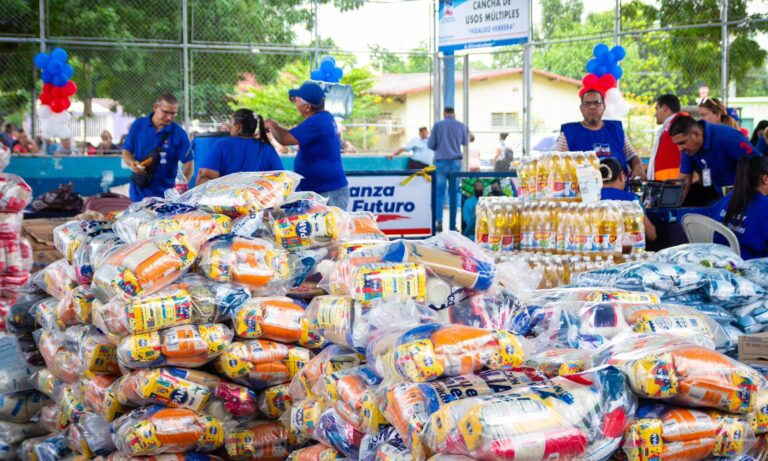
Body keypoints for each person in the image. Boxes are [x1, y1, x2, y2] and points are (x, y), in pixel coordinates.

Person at [265, 81, 349, 209]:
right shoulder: (323, 118)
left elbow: (285, 139)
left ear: (307, 107)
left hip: (328, 193)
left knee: (326, 229)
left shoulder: (318, 121)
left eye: (297, 101)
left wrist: (271, 124)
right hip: (322, 191)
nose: (295, 104)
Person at [557, 89, 645, 180]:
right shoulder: (568, 134)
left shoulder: (616, 130)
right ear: (581, 108)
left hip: (618, 191)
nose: (592, 107)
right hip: (583, 191)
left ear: (604, 106)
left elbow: (631, 156)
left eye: (597, 103)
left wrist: (638, 165)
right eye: (587, 104)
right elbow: (557, 165)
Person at [670, 114, 759, 202]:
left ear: (696, 134)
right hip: (724, 198)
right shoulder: (688, 149)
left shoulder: (728, 137)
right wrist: (673, 206)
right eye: (677, 144)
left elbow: (760, 164)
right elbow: (684, 178)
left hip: (750, 197)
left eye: (682, 143)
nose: (679, 148)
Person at [122, 93, 192, 202]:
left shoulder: (179, 134)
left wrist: (180, 188)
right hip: (139, 194)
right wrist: (132, 163)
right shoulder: (138, 125)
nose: (169, 117)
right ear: (156, 107)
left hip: (166, 197)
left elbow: (189, 163)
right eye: (165, 112)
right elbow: (126, 151)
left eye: (173, 113)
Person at [196, 109, 283, 186]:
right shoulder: (267, 149)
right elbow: (281, 180)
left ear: (237, 127)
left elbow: (203, 180)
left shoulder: (223, 145)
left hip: (224, 202)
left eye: (231, 124)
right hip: (258, 202)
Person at [711, 156, 768, 259]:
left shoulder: (728, 198)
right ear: (765, 179)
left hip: (718, 261)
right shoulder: (765, 206)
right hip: (749, 268)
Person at [428, 107, 468, 231]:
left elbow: (430, 145)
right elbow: (465, 142)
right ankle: (453, 224)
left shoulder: (438, 125)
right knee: (454, 193)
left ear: (444, 113)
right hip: (456, 163)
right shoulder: (461, 125)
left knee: (439, 193)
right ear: (454, 114)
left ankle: (439, 222)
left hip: (440, 163)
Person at [600, 157, 657, 241]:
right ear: (622, 176)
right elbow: (651, 235)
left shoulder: (588, 198)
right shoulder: (631, 199)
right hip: (626, 250)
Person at [648, 94, 686, 181]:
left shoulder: (680, 123)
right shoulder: (669, 126)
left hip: (674, 183)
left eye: (657, 109)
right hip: (668, 182)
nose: (655, 114)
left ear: (664, 108)